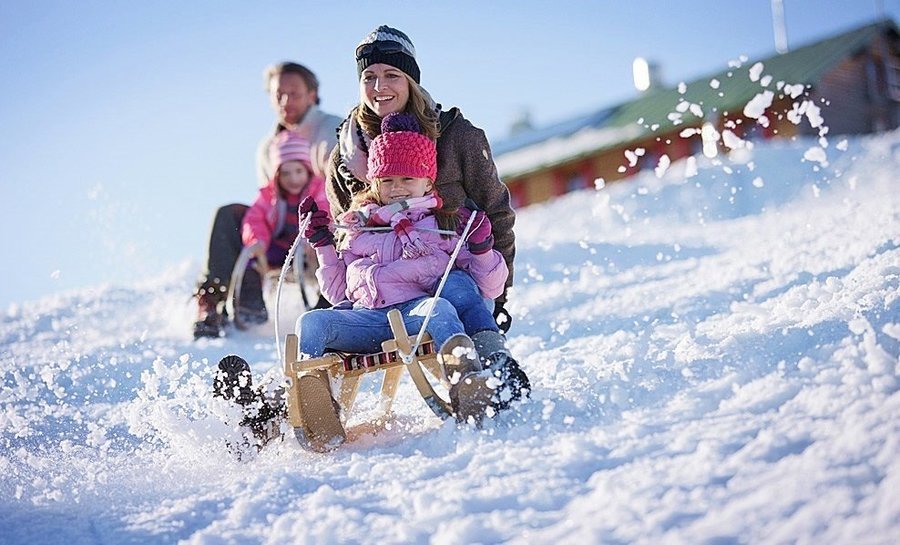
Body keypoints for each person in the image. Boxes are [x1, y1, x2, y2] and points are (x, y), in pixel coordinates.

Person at [214, 113, 522, 451]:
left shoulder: (444, 225)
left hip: (413, 316)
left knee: (441, 307)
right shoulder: (357, 228)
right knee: (312, 322)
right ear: (374, 182)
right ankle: (316, 405)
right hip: (366, 318)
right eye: (387, 180)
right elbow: (336, 293)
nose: (397, 188)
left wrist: (481, 249)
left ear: (428, 182)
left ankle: (466, 382)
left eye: (408, 178)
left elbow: (489, 289)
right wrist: (324, 247)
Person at [325, 25, 527, 393]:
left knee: (458, 289)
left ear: (411, 80)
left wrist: (500, 292)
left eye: (391, 75)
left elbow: (496, 213)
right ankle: (284, 401)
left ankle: (491, 372)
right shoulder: (344, 157)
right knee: (319, 324)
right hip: (382, 294)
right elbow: (344, 245)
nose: (379, 87)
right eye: (368, 77)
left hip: (450, 276)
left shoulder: (457, 136)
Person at [193, 62, 342, 339]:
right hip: (282, 235)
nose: (286, 101)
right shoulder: (267, 148)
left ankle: (333, 303)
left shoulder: (331, 130)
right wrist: (256, 241)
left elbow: (342, 194)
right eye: (278, 95)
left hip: (328, 229)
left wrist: (318, 235)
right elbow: (268, 202)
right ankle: (214, 302)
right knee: (229, 215)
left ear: (312, 95)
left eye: (294, 93)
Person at [235, 131, 329, 324]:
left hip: (308, 250)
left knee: (327, 259)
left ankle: (326, 303)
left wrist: (314, 238)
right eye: (286, 173)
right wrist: (257, 241)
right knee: (250, 260)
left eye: (298, 171)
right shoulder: (269, 196)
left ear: (308, 170)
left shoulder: (319, 190)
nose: (293, 179)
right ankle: (250, 307)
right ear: (277, 175)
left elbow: (324, 211)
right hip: (277, 249)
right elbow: (254, 219)